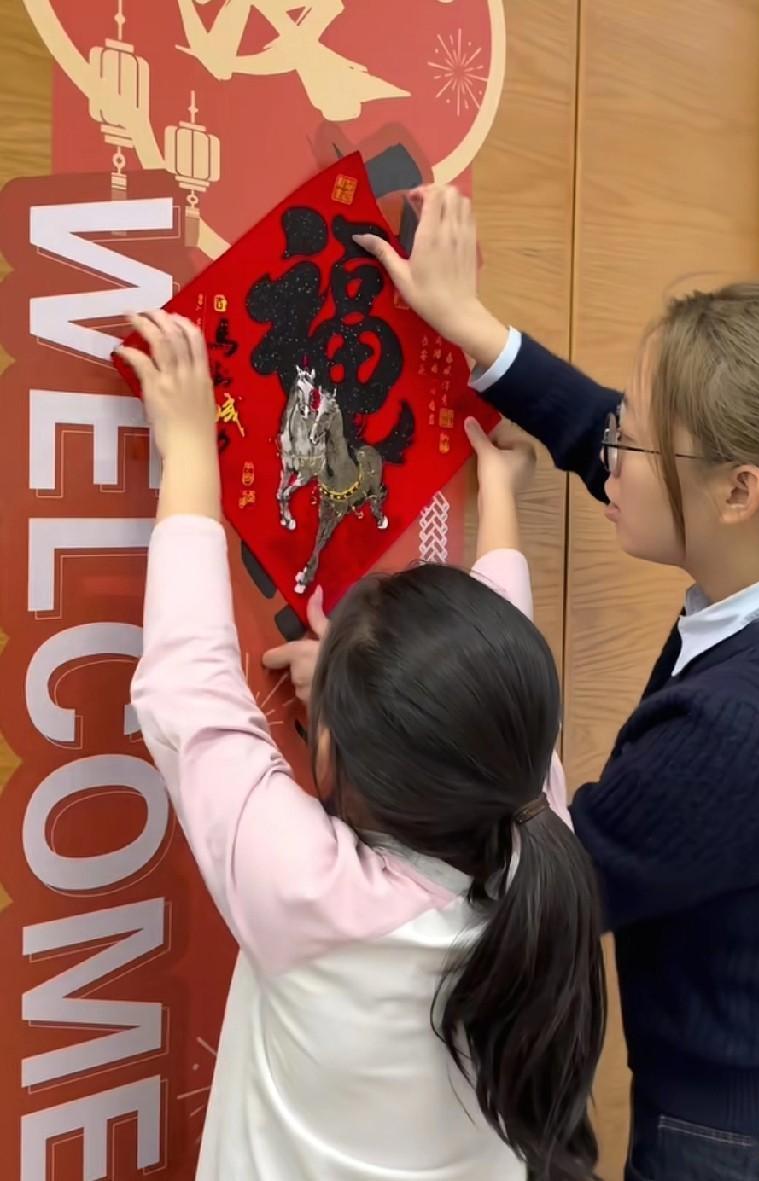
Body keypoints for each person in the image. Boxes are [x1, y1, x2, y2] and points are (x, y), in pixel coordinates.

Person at [279, 188, 759, 1179]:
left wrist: (377, 688)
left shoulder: (747, 728)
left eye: (636, 431)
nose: (608, 443)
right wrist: (476, 332)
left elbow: (541, 878)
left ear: (741, 490)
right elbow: (623, 452)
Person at [116, 311, 607, 1181]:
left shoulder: (312, 891)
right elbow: (493, 674)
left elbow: (190, 687)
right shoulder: (533, 828)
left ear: (330, 751)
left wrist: (188, 447)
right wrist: (497, 495)